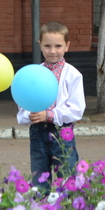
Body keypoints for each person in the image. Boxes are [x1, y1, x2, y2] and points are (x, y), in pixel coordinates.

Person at [16, 21, 86, 192]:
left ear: (67, 46)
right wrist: (29, 115)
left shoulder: (73, 75)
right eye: (47, 45)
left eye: (58, 46)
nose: (52, 51)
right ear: (40, 45)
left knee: (67, 175)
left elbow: (77, 109)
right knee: (39, 176)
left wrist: (50, 115)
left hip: (62, 132)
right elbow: (23, 102)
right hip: (38, 132)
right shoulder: (32, 74)